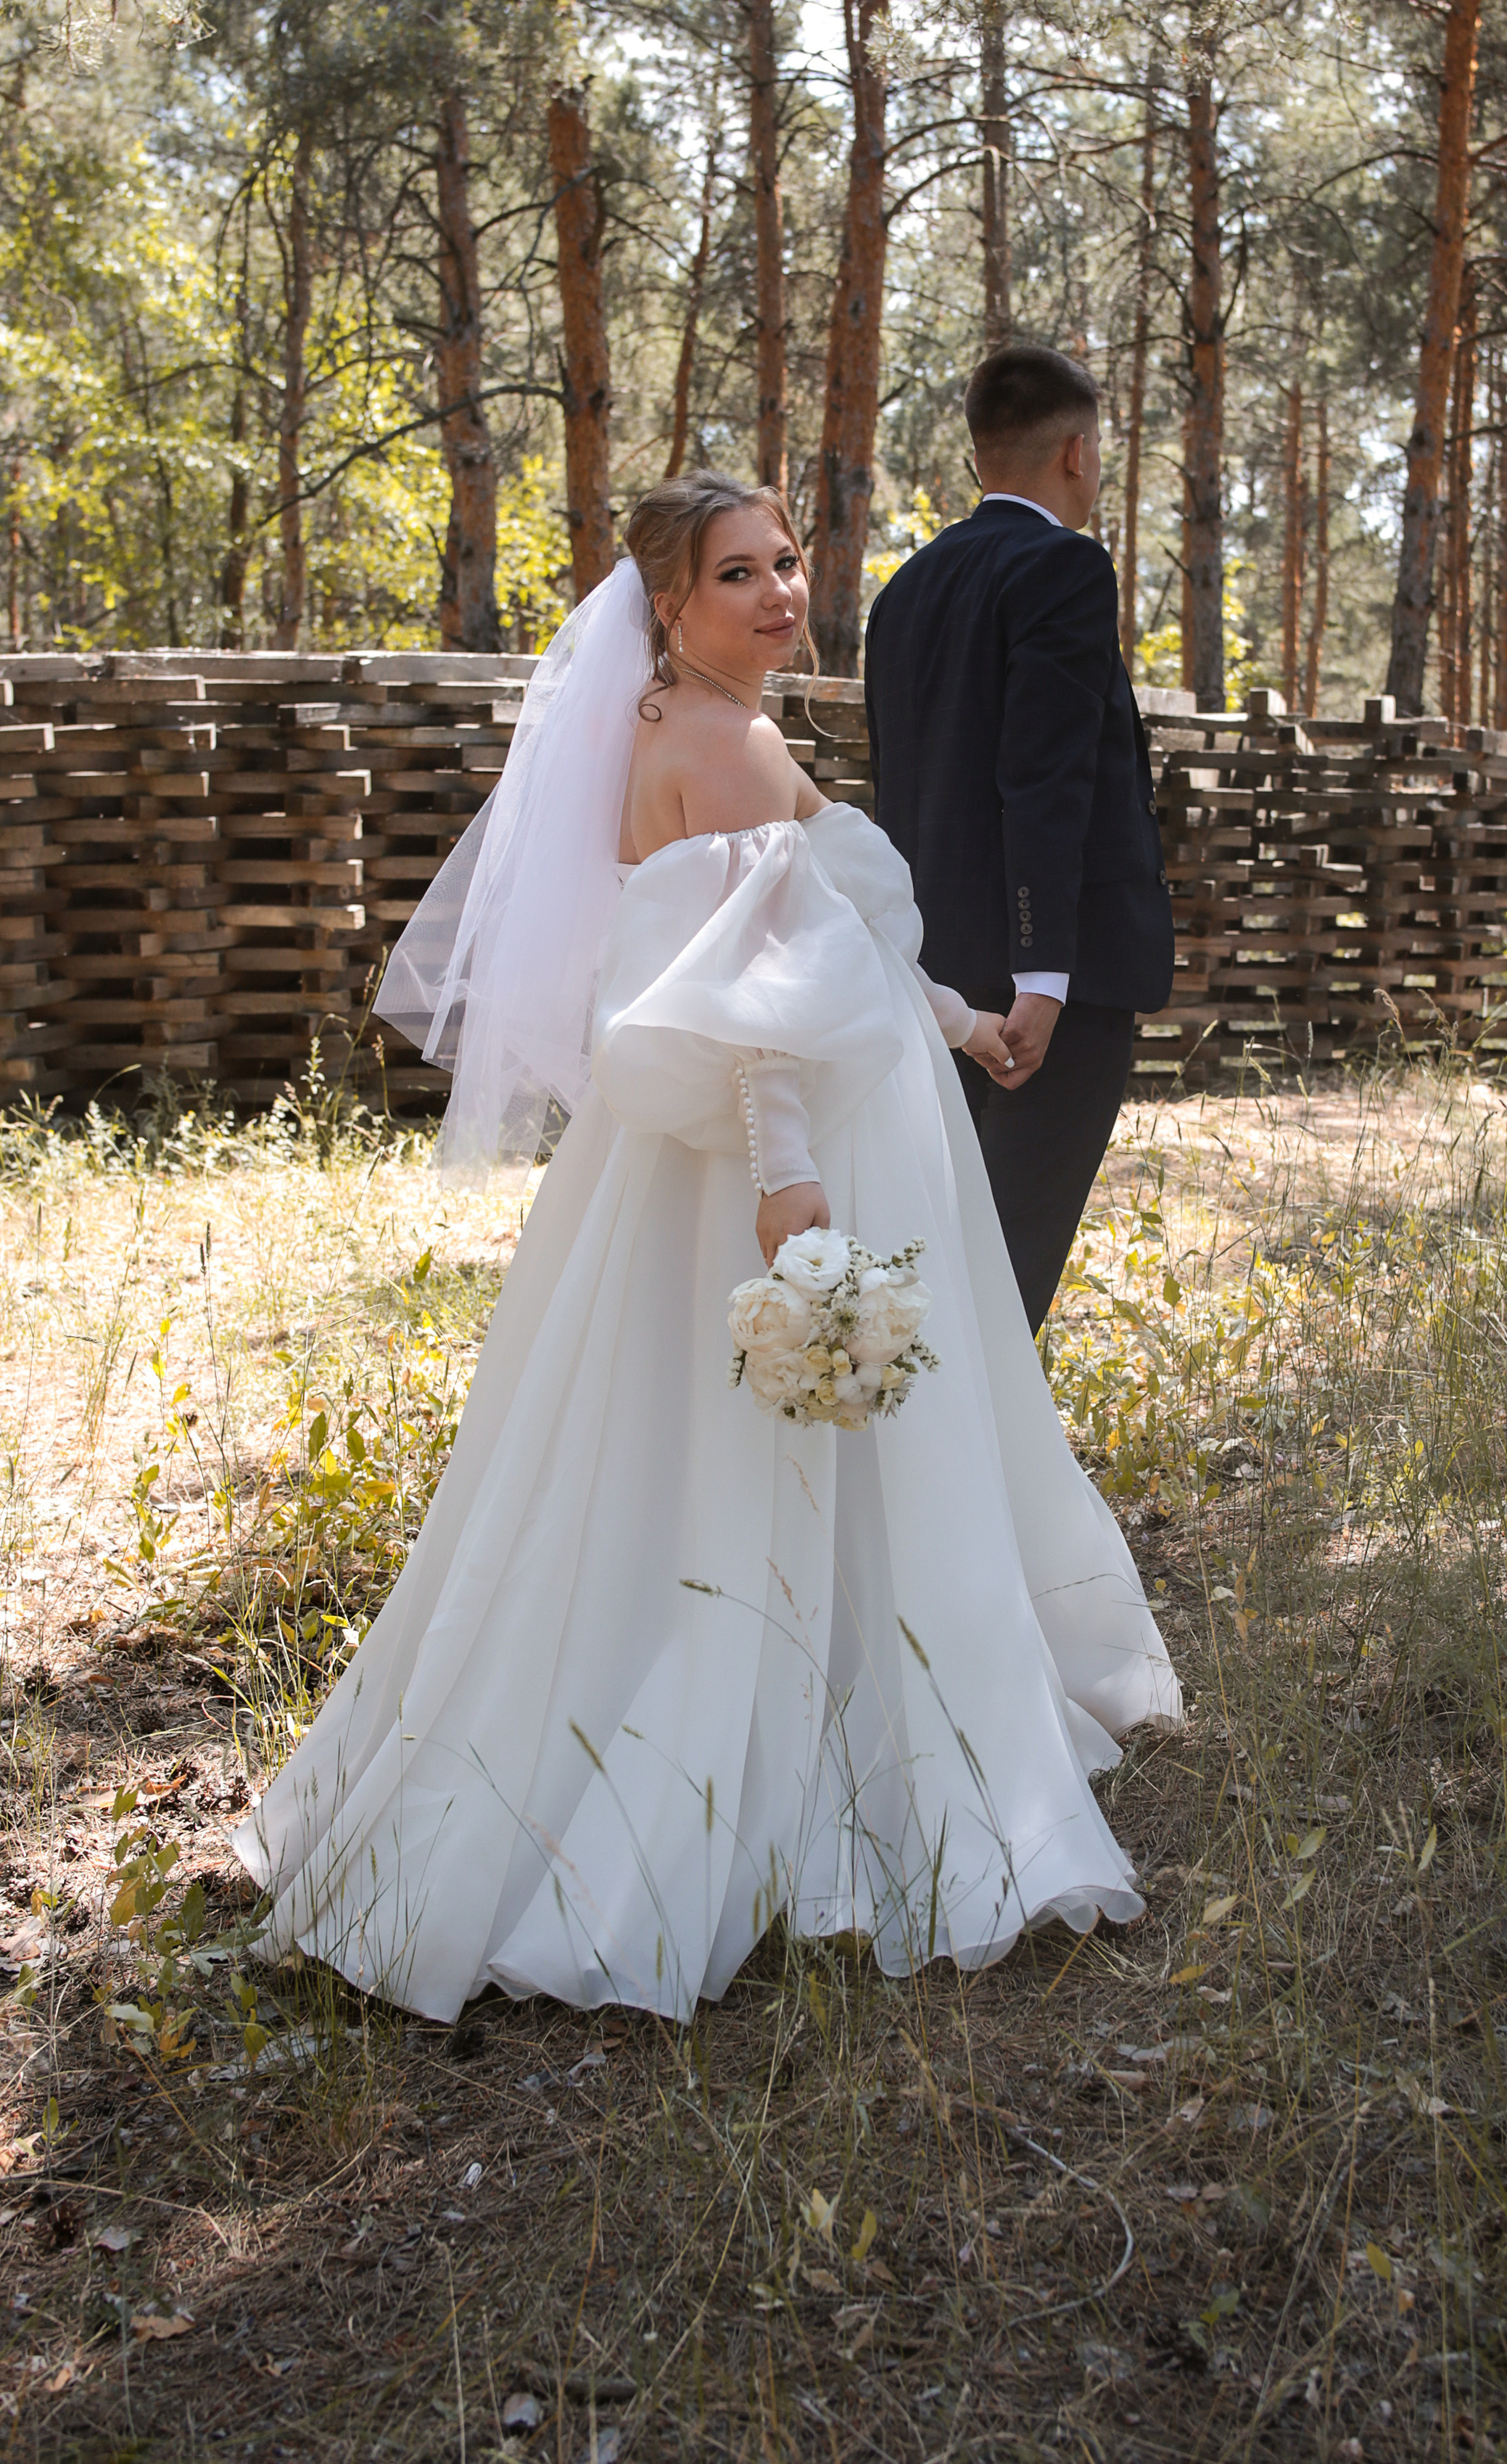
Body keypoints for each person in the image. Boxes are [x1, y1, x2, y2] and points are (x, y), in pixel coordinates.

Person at [232, 471, 1179, 2025]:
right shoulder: (720, 740)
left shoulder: (682, 722)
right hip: (771, 1152)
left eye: (788, 563)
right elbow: (750, 1000)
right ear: (664, 606)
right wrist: (788, 1183)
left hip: (719, 1143)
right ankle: (776, 1757)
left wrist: (953, 1017)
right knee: (782, 1442)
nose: (778, 593)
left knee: (672, 1442)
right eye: (737, 574)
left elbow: (837, 939)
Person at [862, 345, 1177, 1332]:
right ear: (1079, 453)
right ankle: (972, 1480)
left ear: (977, 459)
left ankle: (914, 1466)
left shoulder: (903, 591)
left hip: (929, 975)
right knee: (1006, 1273)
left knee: (939, 1247)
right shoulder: (1065, 566)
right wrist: (1042, 974)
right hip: (1047, 994)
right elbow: (1045, 776)